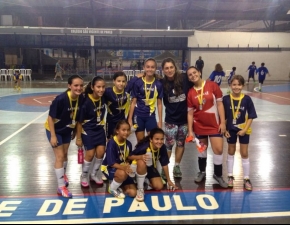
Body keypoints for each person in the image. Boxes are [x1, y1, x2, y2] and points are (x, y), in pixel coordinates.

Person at [186, 66, 228, 188]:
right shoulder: (190, 92)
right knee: (202, 150)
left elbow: (220, 104)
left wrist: (223, 123)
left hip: (215, 125)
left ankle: (218, 175)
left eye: (195, 72)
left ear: (199, 72)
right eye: (190, 74)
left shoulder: (212, 85)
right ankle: (202, 172)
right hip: (199, 126)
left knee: (218, 150)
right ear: (188, 78)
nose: (193, 75)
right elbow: (190, 113)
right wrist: (190, 130)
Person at [44, 75, 84, 198]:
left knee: (65, 154)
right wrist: (53, 136)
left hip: (67, 129)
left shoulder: (81, 98)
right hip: (55, 130)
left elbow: (78, 120)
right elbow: (51, 117)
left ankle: (63, 174)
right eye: (76, 85)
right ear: (69, 86)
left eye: (81, 85)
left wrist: (77, 135)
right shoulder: (60, 99)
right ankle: (61, 186)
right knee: (60, 156)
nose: (79, 88)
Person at [223, 75, 257, 190]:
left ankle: (246, 178)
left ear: (242, 86)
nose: (236, 87)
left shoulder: (247, 99)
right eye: (234, 84)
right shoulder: (226, 99)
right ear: (230, 85)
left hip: (244, 130)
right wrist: (225, 130)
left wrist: (244, 129)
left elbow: (251, 116)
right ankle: (230, 176)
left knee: (244, 153)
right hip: (230, 130)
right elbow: (224, 116)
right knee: (231, 151)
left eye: (239, 84)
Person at [160, 57, 193, 179]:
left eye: (171, 67)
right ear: (163, 70)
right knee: (168, 145)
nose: (169, 70)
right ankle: (165, 168)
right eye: (166, 68)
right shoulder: (162, 83)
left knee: (180, 143)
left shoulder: (184, 78)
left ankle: (177, 166)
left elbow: (196, 80)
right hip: (171, 120)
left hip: (184, 121)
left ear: (175, 67)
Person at [128, 128, 178, 202]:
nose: (159, 141)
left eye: (161, 139)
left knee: (159, 186)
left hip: (150, 167)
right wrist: (140, 157)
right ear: (151, 139)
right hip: (137, 167)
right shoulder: (144, 147)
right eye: (157, 139)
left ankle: (145, 180)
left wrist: (169, 180)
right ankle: (140, 189)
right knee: (141, 162)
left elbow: (164, 164)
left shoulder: (162, 147)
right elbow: (129, 156)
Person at [76, 76, 107, 187]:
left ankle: (93, 175)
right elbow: (79, 122)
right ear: (92, 87)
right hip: (88, 130)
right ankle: (84, 175)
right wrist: (78, 138)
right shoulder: (85, 101)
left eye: (103, 87)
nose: (101, 89)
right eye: (98, 87)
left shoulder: (103, 97)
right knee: (89, 154)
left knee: (101, 152)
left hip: (99, 129)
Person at [128, 58, 163, 143]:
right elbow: (133, 102)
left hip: (150, 116)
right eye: (148, 67)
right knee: (141, 142)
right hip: (138, 116)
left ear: (155, 68)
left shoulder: (158, 84)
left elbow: (159, 104)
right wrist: (129, 119)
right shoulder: (138, 83)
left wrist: (160, 121)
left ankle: (150, 156)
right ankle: (140, 156)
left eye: (152, 67)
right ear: (144, 68)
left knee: (152, 141)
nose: (150, 69)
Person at [102, 120, 137, 199]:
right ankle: (112, 188)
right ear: (117, 131)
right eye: (123, 130)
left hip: (122, 168)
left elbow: (127, 159)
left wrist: (128, 164)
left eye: (128, 130)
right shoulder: (111, 143)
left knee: (133, 193)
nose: (126, 132)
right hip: (109, 168)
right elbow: (111, 163)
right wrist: (125, 168)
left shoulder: (128, 144)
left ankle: (118, 183)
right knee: (122, 174)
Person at [104, 71, 130, 139]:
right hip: (111, 122)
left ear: (126, 83)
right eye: (118, 81)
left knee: (122, 140)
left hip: (122, 121)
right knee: (111, 141)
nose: (121, 83)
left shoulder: (127, 90)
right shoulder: (107, 92)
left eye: (123, 81)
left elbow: (136, 78)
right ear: (114, 81)